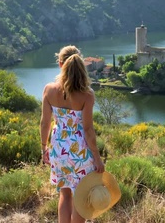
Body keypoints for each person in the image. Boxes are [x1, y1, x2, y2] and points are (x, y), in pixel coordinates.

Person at [40, 45, 105, 223]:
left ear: (61, 64)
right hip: (80, 153)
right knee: (81, 199)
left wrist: (44, 147)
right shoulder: (87, 95)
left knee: (65, 194)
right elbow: (88, 130)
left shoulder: (49, 90)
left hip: (58, 149)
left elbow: (45, 123)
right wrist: (98, 159)